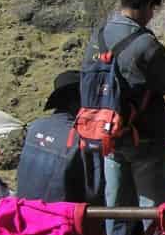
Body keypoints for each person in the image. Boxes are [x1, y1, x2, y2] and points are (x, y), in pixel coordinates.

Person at [83, 0, 165, 235]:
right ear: (148, 5)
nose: (153, 15)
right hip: (146, 142)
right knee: (156, 215)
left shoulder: (98, 37)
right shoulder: (144, 44)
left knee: (115, 213)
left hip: (109, 140)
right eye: (153, 9)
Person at [17, 71, 102, 204]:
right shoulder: (79, 138)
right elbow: (94, 191)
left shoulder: (34, 127)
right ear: (77, 101)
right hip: (59, 218)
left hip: (26, 214)